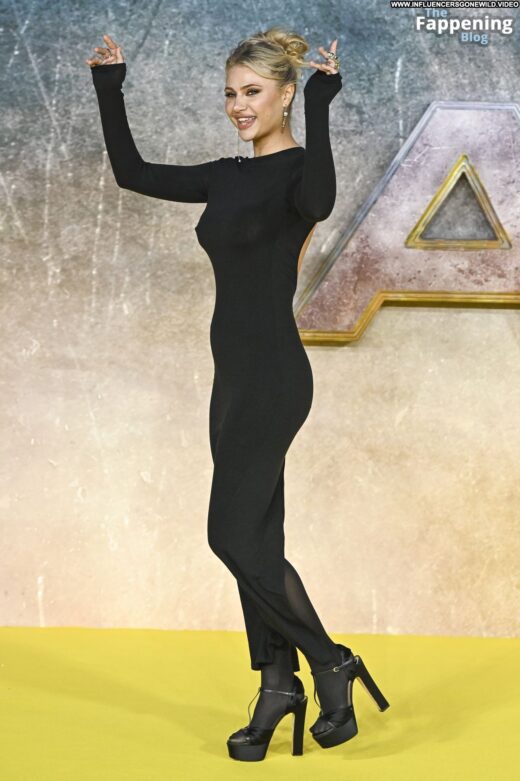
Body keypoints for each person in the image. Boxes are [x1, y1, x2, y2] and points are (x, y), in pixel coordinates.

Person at [86, 26, 389, 761]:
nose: (238, 106)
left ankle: (331, 662)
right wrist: (109, 87)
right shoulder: (225, 176)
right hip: (231, 379)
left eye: (252, 92)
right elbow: (131, 172)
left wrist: (322, 106)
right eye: (229, 94)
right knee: (257, 540)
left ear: (285, 94)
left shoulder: (299, 175)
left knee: (228, 534)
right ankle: (277, 685)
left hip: (275, 378)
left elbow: (321, 198)